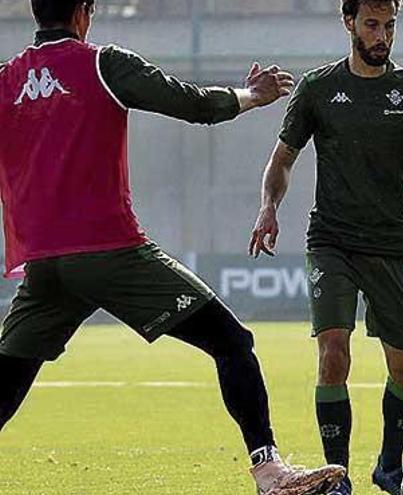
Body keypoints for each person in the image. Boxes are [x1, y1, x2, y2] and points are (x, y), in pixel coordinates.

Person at [0, 1, 346, 494]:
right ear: (85, 11)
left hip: (42, 264)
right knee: (231, 342)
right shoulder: (103, 64)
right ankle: (270, 473)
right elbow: (196, 105)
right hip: (111, 252)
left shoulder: (6, 79)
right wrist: (253, 94)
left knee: (10, 374)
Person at [247, 2, 403, 494]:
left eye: (389, 26)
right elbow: (281, 161)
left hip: (392, 244)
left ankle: (389, 464)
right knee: (333, 350)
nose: (382, 35)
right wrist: (268, 207)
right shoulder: (318, 89)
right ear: (349, 24)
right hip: (332, 241)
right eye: (371, 25)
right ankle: (337, 476)